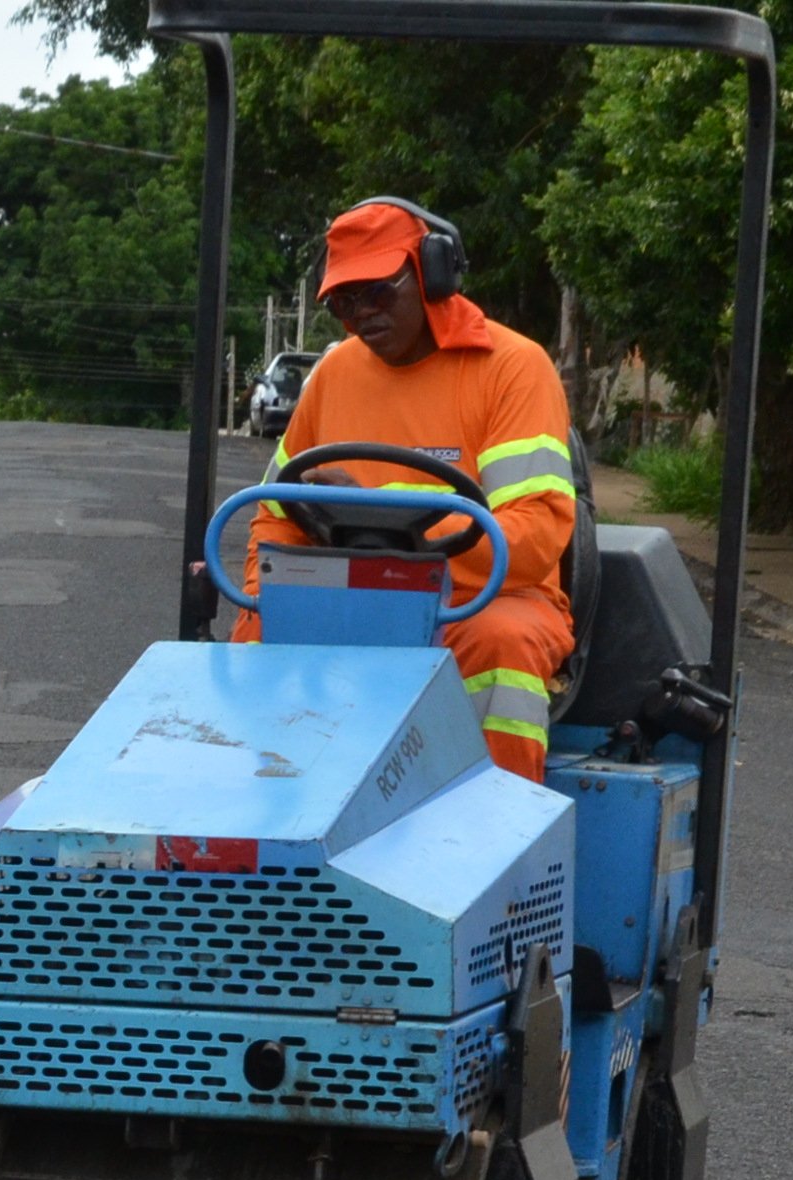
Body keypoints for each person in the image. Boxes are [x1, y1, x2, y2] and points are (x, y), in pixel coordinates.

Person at [243, 198, 578, 782]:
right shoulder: (333, 375)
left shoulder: (514, 369)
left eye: (377, 292)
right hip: (350, 593)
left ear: (432, 271)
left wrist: (397, 527)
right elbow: (274, 512)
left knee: (501, 645)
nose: (362, 314)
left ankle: (494, 827)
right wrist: (266, 595)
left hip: (485, 597)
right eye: (344, 303)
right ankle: (277, 830)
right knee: (256, 633)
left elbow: (533, 536)